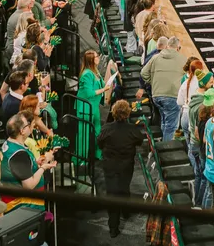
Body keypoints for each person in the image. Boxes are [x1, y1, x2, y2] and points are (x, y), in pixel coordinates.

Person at [98, 99, 147, 238]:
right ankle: (125, 211)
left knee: (112, 192)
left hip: (110, 165)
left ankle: (113, 227)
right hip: (126, 165)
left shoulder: (106, 128)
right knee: (124, 188)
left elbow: (99, 143)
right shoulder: (132, 129)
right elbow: (139, 140)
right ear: (127, 113)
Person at [0, 112, 58, 205]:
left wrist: (37, 162)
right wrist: (43, 168)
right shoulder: (19, 154)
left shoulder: (9, 143)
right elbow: (29, 186)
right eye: (28, 124)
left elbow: (19, 170)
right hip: (23, 206)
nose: (31, 126)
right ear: (22, 131)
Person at [142, 37, 184, 140]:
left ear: (167, 46)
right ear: (178, 47)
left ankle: (162, 144)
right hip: (172, 96)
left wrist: (153, 82)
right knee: (171, 126)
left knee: (165, 121)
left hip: (156, 96)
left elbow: (143, 73)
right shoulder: (183, 59)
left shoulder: (155, 57)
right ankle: (166, 149)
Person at [77, 49, 111, 159]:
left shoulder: (95, 71)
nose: (98, 58)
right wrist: (104, 89)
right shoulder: (86, 74)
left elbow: (100, 84)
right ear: (91, 60)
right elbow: (89, 93)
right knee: (84, 134)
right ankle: (81, 158)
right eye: (96, 57)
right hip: (85, 107)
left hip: (94, 106)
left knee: (98, 130)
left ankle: (98, 153)